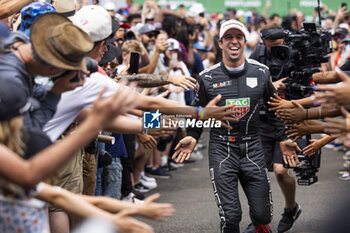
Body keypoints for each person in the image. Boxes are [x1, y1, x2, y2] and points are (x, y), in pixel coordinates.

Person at [173, 19, 300, 233]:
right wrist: (193, 136)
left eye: (238, 37)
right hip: (222, 149)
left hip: (252, 147)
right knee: (231, 217)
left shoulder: (261, 72)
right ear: (220, 43)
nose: (234, 41)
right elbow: (198, 110)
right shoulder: (206, 77)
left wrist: (283, 138)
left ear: (244, 41)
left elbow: (274, 109)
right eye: (228, 37)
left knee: (262, 216)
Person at [249, 23, 302, 233]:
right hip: (263, 119)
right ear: (263, 42)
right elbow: (249, 81)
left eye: (278, 46)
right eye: (271, 46)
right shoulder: (257, 54)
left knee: (280, 171)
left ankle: (291, 208)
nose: (275, 51)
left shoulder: (296, 52)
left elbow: (308, 82)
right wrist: (271, 84)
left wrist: (285, 86)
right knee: (254, 171)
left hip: (289, 118)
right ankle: (259, 221)